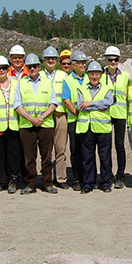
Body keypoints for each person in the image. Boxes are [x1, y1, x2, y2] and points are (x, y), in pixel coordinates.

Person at [15, 53, 57, 194]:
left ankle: (47, 183)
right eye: (29, 66)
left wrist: (42, 117)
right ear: (26, 68)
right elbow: (17, 105)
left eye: (34, 66)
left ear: (39, 67)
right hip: (27, 126)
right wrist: (31, 119)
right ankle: (31, 184)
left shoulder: (47, 82)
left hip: (45, 125)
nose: (32, 68)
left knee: (46, 157)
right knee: (29, 157)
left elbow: (53, 103)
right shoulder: (21, 83)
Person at [0, 55, 23, 193]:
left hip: (13, 126)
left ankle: (12, 181)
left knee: (13, 155)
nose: (1, 71)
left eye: (4, 68)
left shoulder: (16, 83)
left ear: (8, 69)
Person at [76, 60, 115, 193]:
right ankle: (88, 183)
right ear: (88, 75)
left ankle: (105, 182)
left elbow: (108, 102)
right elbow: (80, 106)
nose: (94, 77)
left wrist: (91, 103)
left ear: (101, 76)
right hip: (86, 128)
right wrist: (98, 106)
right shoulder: (81, 89)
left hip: (103, 129)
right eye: (92, 74)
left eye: (97, 74)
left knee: (105, 157)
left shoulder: (107, 89)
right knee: (87, 157)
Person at [62, 50, 89, 190]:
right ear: (73, 65)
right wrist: (78, 114)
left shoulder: (88, 78)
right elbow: (66, 101)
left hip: (88, 120)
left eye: (85, 63)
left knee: (87, 149)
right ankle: (77, 179)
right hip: (75, 120)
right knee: (75, 150)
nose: (83, 65)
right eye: (80, 63)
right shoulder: (67, 80)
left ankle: (87, 178)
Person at [42, 46, 69, 187]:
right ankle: (46, 178)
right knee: (45, 149)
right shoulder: (39, 75)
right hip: (43, 116)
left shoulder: (63, 75)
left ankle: (60, 177)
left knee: (60, 148)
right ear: (44, 60)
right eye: (48, 58)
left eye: (53, 58)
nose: (51, 60)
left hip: (60, 115)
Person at [103, 46, 129, 189]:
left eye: (115, 59)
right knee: (106, 146)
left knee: (119, 145)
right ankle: (107, 174)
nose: (113, 62)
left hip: (120, 114)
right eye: (110, 59)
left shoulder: (124, 76)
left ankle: (120, 175)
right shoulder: (101, 76)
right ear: (106, 60)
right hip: (105, 114)